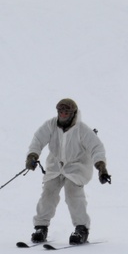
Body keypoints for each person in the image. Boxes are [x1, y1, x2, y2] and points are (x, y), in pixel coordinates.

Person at [24, 98, 111, 244]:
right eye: (60, 111)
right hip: (55, 166)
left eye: (66, 112)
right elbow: (38, 140)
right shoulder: (50, 125)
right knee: (48, 193)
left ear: (73, 113)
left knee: (73, 193)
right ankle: (41, 227)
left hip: (77, 166)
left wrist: (101, 167)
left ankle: (81, 228)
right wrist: (32, 155)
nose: (63, 114)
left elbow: (97, 148)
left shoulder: (82, 129)